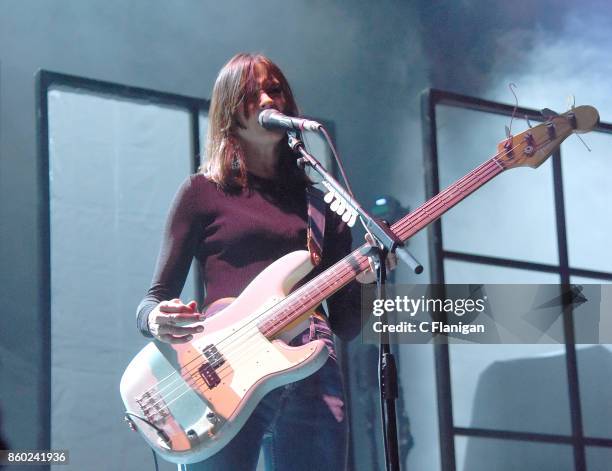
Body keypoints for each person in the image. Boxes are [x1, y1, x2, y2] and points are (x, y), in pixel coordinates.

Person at [136, 53, 392, 471]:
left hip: (312, 372)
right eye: (254, 92)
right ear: (229, 111)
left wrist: (365, 278)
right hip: (225, 378)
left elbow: (346, 325)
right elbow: (151, 301)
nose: (269, 98)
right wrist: (157, 319)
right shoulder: (202, 192)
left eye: (275, 89)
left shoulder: (322, 202)